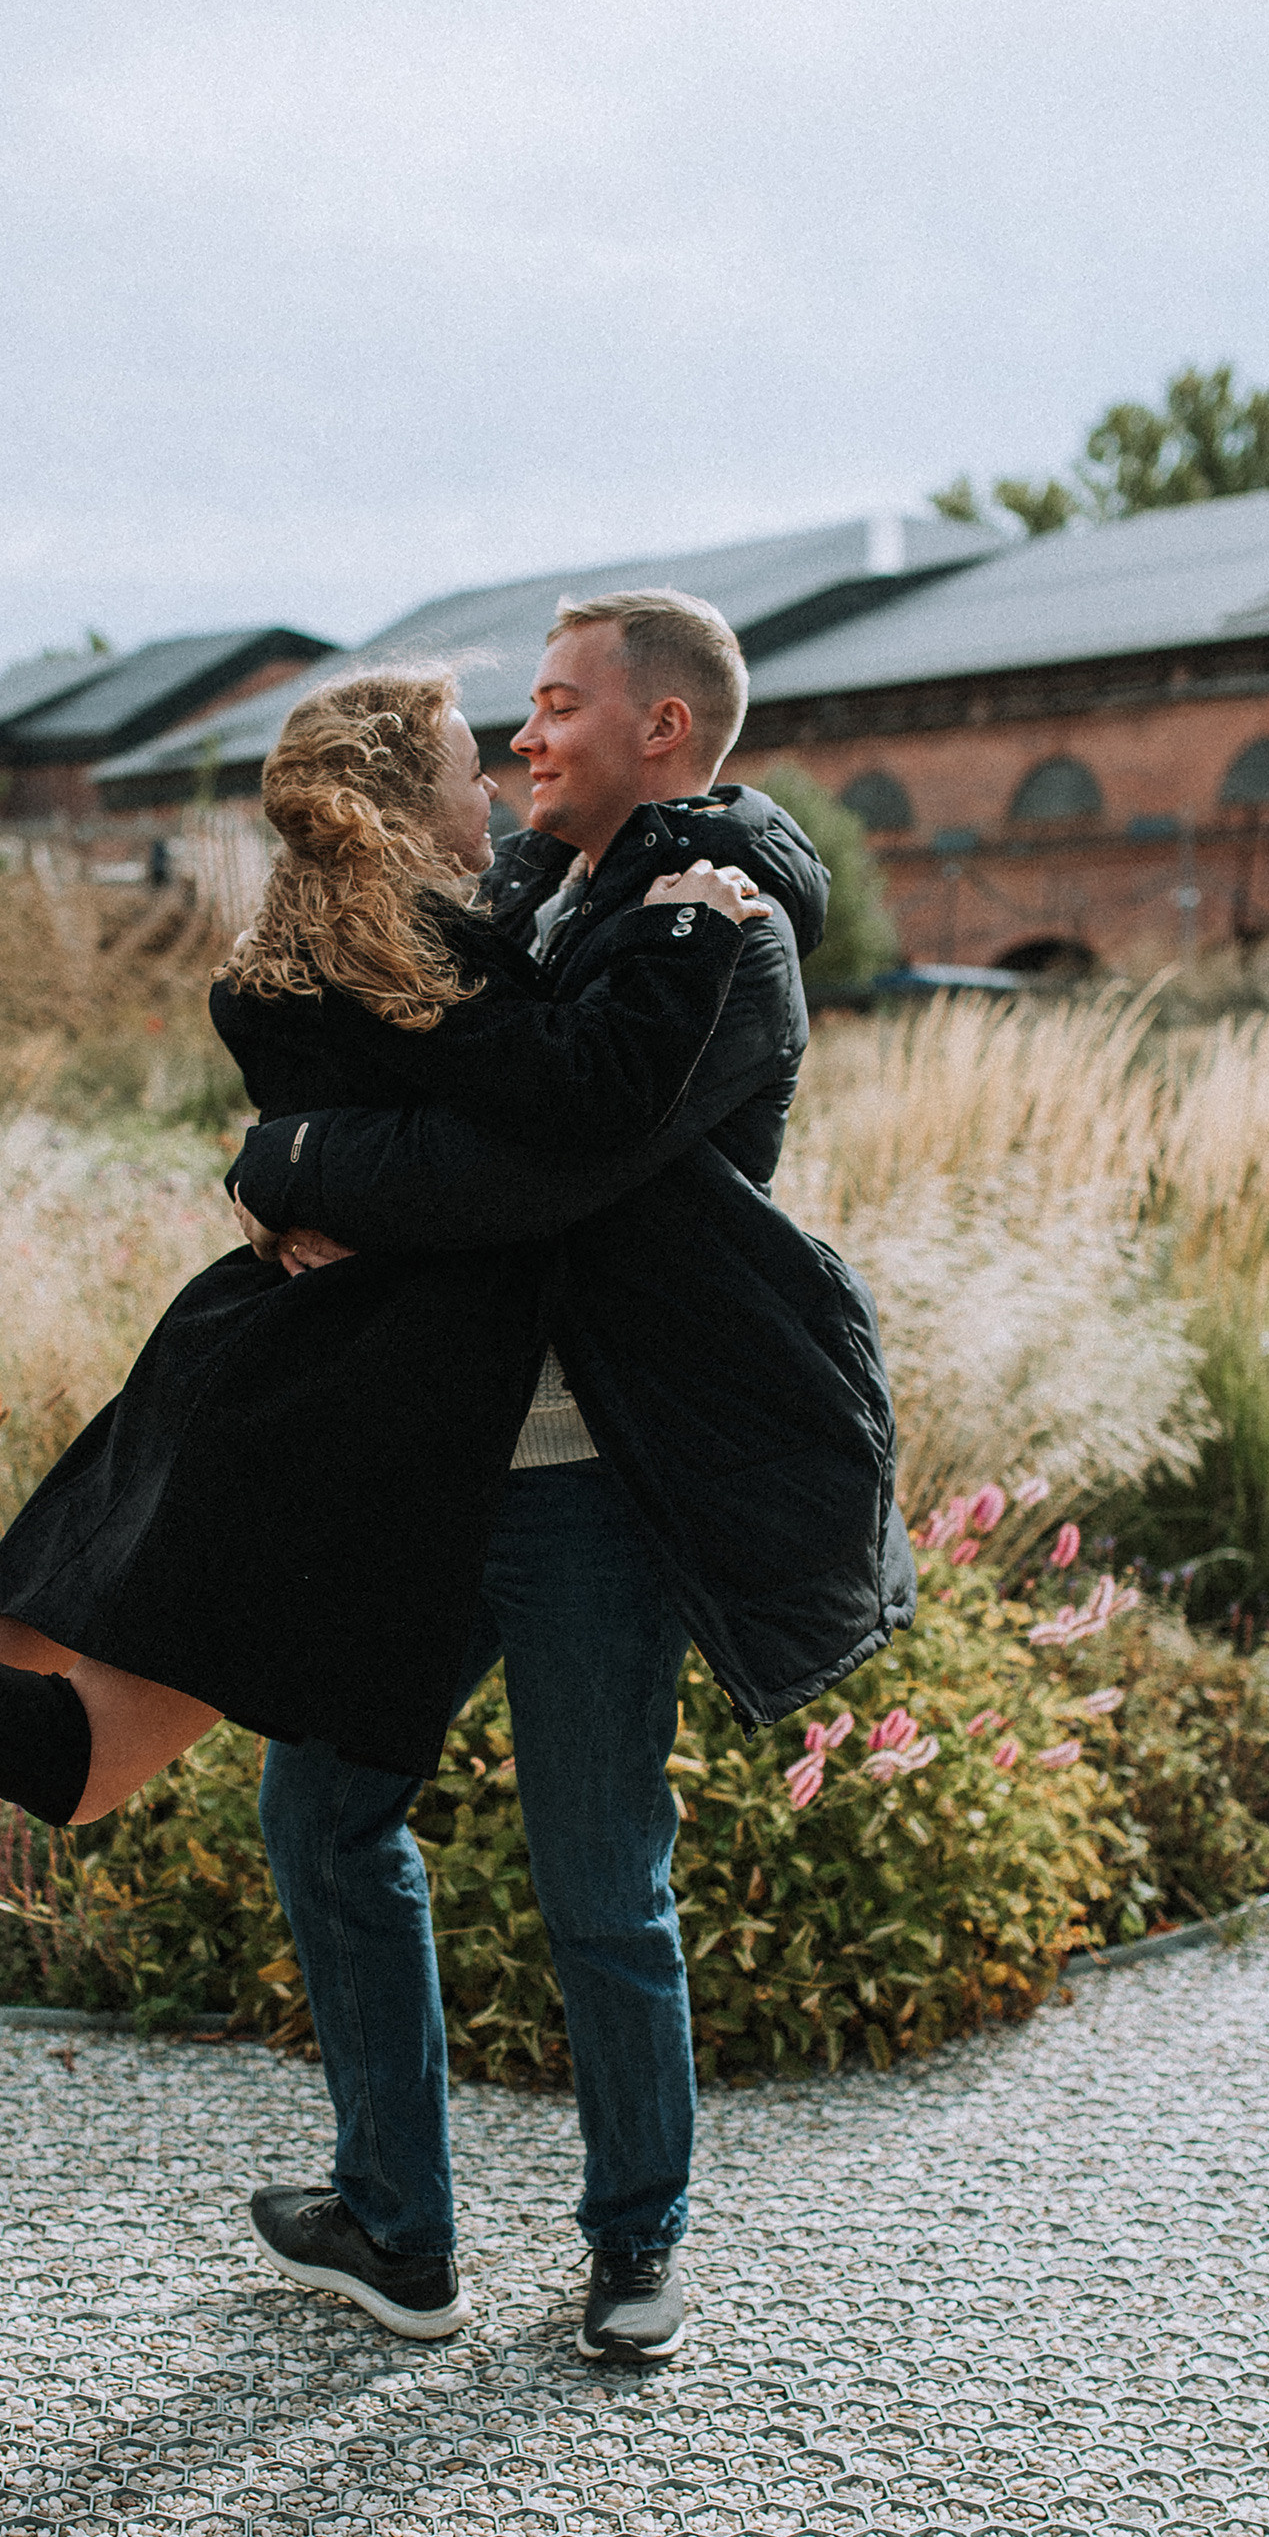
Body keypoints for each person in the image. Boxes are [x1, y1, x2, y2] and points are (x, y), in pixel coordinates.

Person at [0, 660, 885, 2052]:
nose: (502, 783)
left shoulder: (319, 946)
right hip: (316, 1414)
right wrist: (695, 931)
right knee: (78, 1762)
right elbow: (571, 1112)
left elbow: (520, 950)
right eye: (472, 768)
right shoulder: (428, 971)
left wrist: (288, 1164)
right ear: (407, 806)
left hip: (242, 1363)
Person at [224, 593, 913, 2364]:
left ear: (661, 732)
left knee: (601, 1875)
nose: (523, 739)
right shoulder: (546, 896)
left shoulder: (718, 933)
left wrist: (302, 1164)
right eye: (513, 715)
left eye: (552, 706)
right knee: (321, 1811)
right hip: (436, 1468)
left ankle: (636, 2244)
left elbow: (535, 1158)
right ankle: (397, 2227)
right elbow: (416, 1105)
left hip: (586, 1483)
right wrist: (299, 1163)